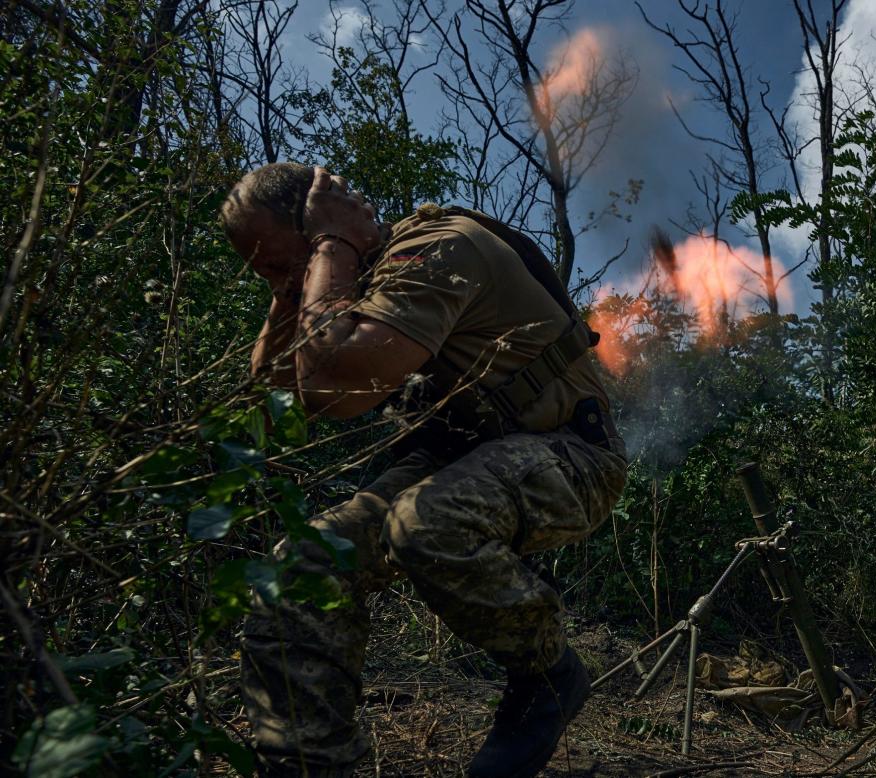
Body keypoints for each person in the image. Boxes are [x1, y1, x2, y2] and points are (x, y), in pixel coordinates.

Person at [219, 162, 627, 777]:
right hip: (456, 460)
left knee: (426, 522)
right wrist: (288, 289)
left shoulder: (437, 248)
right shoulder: (344, 278)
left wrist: (331, 246)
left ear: (320, 231)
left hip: (571, 456)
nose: (290, 284)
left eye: (286, 265)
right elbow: (273, 400)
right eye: (268, 273)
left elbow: (335, 385)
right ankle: (307, 765)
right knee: (301, 564)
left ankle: (547, 676)